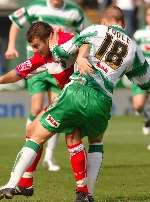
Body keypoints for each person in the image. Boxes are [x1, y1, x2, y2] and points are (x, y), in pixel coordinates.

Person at [1, 5, 150, 202]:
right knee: (92, 141)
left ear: (104, 21)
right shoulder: (133, 47)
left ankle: (13, 183)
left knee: (34, 134)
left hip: (77, 91)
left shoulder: (94, 30)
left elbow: (64, 51)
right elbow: (145, 82)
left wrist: (66, 51)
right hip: (103, 100)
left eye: (37, 46)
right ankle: (86, 193)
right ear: (122, 23)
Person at [5, 0, 86, 172]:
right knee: (36, 108)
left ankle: (49, 157)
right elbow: (15, 21)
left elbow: (83, 37)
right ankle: (29, 145)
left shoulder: (74, 12)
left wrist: (79, 57)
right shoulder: (36, 6)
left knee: (56, 109)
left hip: (61, 66)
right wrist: (11, 45)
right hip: (39, 64)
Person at [0, 21, 74, 197]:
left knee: (39, 133)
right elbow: (18, 72)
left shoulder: (68, 41)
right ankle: (25, 183)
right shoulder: (41, 56)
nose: (34, 50)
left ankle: (14, 183)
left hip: (80, 96)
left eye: (36, 45)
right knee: (35, 131)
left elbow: (84, 43)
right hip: (70, 97)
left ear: (48, 38)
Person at [131, 4, 150, 136]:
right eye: (149, 15)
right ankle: (148, 116)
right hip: (142, 73)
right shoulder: (139, 33)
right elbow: (132, 51)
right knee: (138, 106)